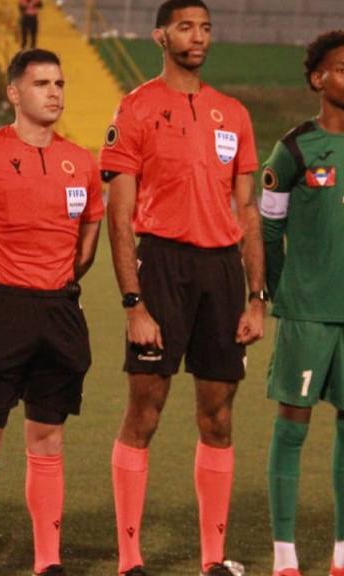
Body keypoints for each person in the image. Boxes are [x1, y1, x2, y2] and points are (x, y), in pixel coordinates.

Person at [99, 1, 265, 574]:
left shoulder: (233, 114)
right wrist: (133, 304)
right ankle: (129, 559)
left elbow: (248, 211)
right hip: (163, 265)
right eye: (186, 27)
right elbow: (120, 215)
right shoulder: (136, 108)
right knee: (145, 411)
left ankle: (213, 560)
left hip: (222, 273)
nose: (198, 37)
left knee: (218, 417)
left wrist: (256, 297)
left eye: (205, 28)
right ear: (161, 36)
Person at [0, 48, 104, 576]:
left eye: (59, 83)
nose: (54, 92)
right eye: (41, 84)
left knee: (48, 437)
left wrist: (59, 283)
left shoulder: (81, 161)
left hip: (58, 311)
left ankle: (47, 561)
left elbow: (89, 238)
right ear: (14, 93)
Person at [260, 31, 344, 576]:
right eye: (342, 69)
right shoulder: (292, 148)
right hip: (307, 313)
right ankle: (284, 560)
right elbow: (268, 228)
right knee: (292, 428)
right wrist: (280, 293)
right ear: (318, 78)